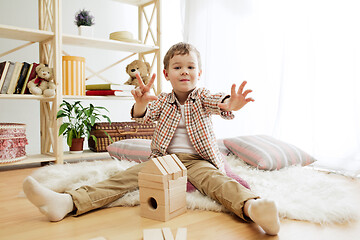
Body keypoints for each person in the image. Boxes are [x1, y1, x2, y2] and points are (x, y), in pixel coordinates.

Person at [23, 42, 280, 235]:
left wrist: (231, 103)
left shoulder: (201, 96)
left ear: (199, 73)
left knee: (219, 183)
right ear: (167, 74)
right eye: (177, 67)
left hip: (199, 161)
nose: (184, 72)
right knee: (123, 178)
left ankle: (253, 208)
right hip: (165, 161)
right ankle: (68, 203)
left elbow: (219, 102)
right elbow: (143, 116)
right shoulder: (163, 100)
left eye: (190, 67)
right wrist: (140, 103)